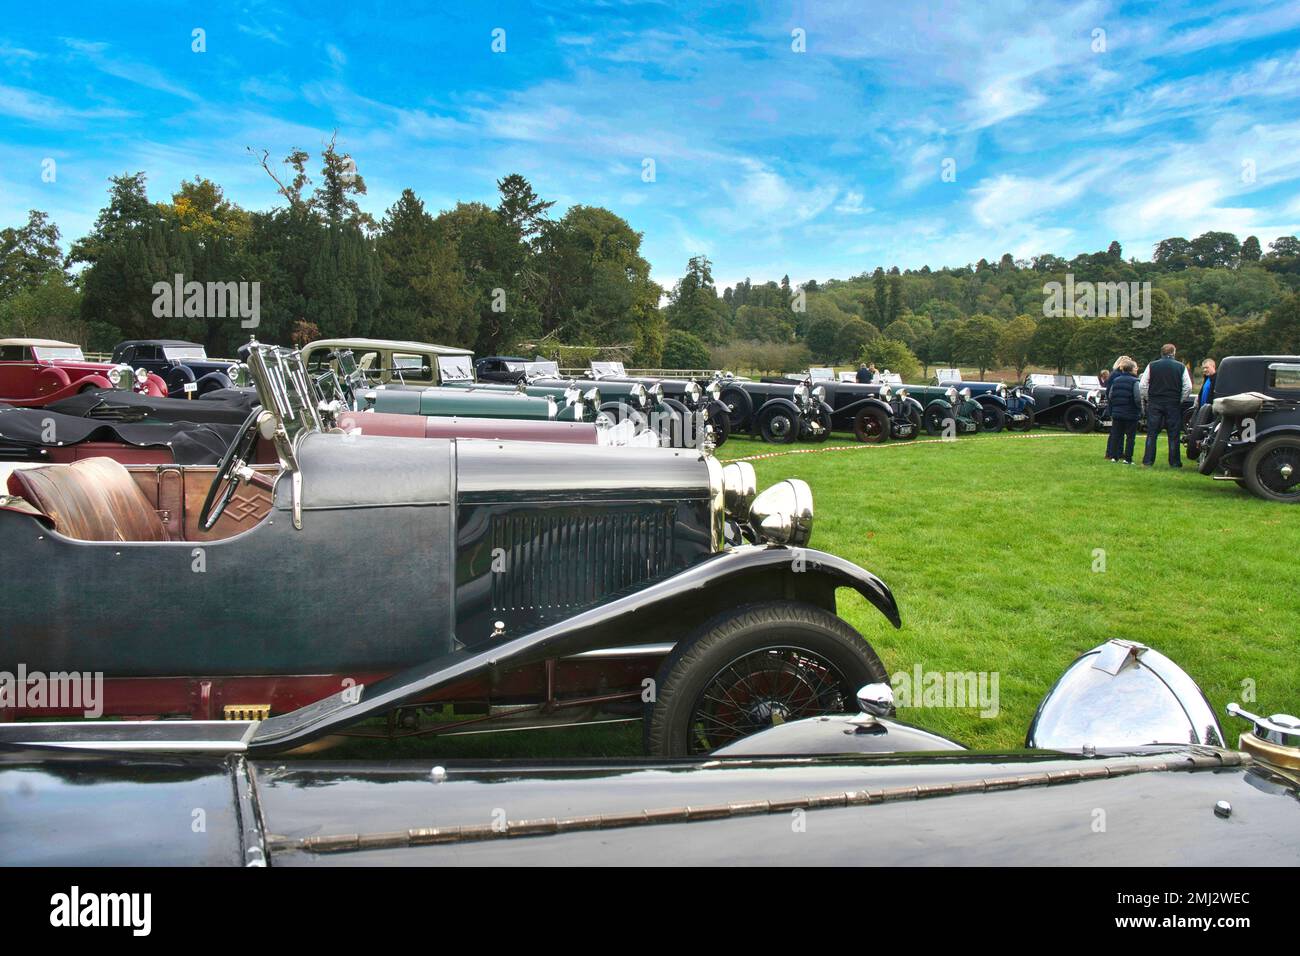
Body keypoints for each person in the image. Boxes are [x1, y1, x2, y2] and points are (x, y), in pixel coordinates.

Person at [1139, 344, 1193, 467]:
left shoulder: (1152, 365)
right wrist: (1180, 400)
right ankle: (1174, 462)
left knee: (1152, 433)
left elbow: (1142, 385)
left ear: (1161, 353)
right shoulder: (1181, 367)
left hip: (1155, 403)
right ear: (1174, 352)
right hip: (1173, 403)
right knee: (1173, 434)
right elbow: (1188, 387)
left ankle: (1148, 461)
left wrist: (1149, 398)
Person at [1105, 357, 1141, 463]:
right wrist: (1140, 409)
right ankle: (1128, 458)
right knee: (1130, 437)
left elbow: (1111, 395)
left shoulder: (1116, 380)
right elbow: (1137, 398)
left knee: (1116, 435)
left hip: (1117, 412)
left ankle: (1114, 456)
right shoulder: (1135, 382)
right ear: (1131, 369)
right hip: (1131, 413)